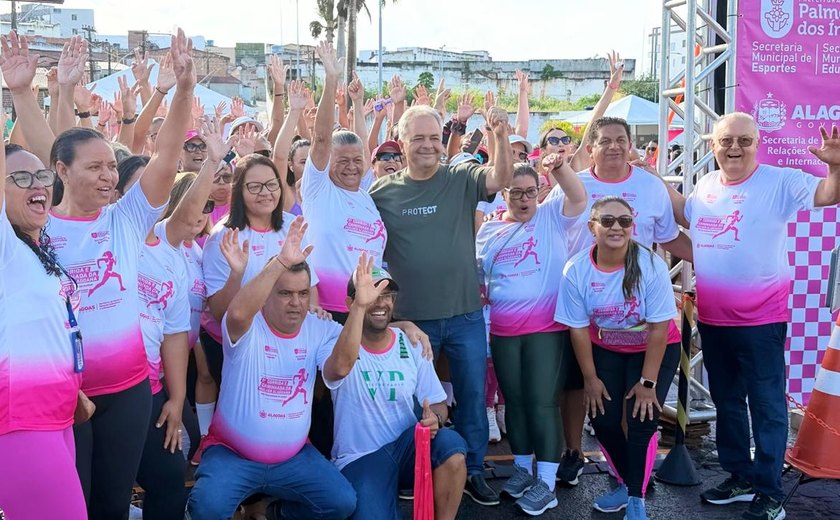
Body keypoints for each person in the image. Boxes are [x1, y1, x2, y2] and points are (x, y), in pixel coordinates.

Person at [5, 28, 196, 519]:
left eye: (112, 166)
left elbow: (168, 156)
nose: (109, 176)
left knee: (111, 505)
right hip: (68, 396)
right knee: (75, 504)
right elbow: (46, 147)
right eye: (95, 167)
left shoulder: (126, 220)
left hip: (130, 392)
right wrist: (25, 93)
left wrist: (185, 89)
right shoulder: (37, 225)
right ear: (61, 173)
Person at [667, 114, 840, 520]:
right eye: (726, 140)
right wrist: (647, 182)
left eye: (744, 140)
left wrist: (835, 166)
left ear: (757, 143)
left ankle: (769, 491)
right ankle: (740, 477)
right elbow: (691, 221)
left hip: (762, 320)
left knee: (766, 407)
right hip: (713, 319)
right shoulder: (706, 185)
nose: (734, 148)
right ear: (712, 145)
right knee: (728, 403)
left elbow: (829, 194)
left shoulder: (780, 181)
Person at [369, 103, 514, 506]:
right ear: (401, 142)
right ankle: (415, 470)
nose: (428, 145)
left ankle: (473, 470)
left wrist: (500, 135)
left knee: (470, 399)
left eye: (434, 137)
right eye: (418, 138)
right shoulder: (381, 192)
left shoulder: (460, 175)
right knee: (413, 404)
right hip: (412, 321)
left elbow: (499, 177)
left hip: (466, 315)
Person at [547, 116, 692, 487]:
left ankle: (628, 473)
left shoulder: (650, 186)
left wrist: (719, 262)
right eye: (605, 140)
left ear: (631, 145)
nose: (613, 146)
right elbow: (545, 229)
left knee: (631, 398)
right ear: (590, 148)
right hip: (583, 306)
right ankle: (574, 452)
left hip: (636, 312)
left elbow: (671, 238)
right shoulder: (575, 185)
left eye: (620, 140)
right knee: (578, 386)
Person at [187, 216, 357, 520]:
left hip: (293, 458)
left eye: (303, 294)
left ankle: (268, 511)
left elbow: (340, 369)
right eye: (284, 293)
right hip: (232, 454)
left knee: (342, 502)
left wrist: (359, 309)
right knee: (207, 510)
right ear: (266, 296)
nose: (296, 303)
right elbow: (237, 311)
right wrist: (280, 261)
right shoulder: (247, 326)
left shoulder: (319, 328)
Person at [555, 196, 682, 520]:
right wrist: (590, 379)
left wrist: (648, 383)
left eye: (624, 221)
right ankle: (628, 484)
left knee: (642, 417)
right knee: (603, 419)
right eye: (608, 220)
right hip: (607, 349)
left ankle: (636, 500)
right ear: (592, 227)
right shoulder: (577, 269)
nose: (616, 227)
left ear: (632, 226)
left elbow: (657, 329)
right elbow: (579, 330)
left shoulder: (651, 265)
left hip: (654, 349)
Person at [475, 156, 586, 516]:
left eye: (529, 193)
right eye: (515, 193)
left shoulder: (551, 216)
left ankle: (548, 483)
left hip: (546, 330)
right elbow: (480, 278)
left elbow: (578, 196)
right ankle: (523, 471)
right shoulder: (489, 230)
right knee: (516, 403)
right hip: (504, 331)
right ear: (503, 193)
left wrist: (559, 168)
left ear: (539, 192)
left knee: (541, 402)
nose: (523, 200)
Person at [331, 255, 467, 520]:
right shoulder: (334, 341)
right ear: (351, 302)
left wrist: (435, 418)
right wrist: (364, 309)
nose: (380, 302)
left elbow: (438, 403)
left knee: (452, 446)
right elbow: (337, 367)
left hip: (406, 448)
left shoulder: (411, 342)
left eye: (387, 294)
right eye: (370, 294)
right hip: (360, 458)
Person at [0, 138, 88, 519]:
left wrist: (74, 392)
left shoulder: (38, 249)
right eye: (19, 177)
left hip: (57, 417)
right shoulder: (6, 250)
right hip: (21, 421)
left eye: (41, 175)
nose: (37, 184)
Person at [302, 41, 386, 323]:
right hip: (326, 312)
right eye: (342, 161)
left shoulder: (365, 195)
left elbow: (362, 145)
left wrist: (360, 104)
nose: (351, 167)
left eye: (357, 161)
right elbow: (323, 137)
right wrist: (330, 79)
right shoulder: (319, 189)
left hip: (368, 311)